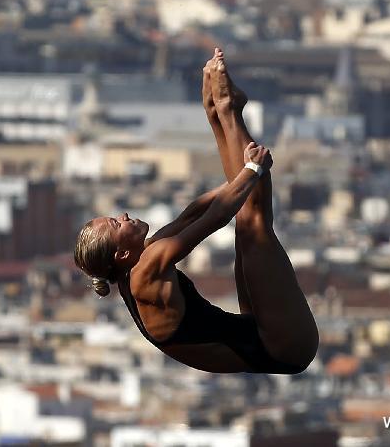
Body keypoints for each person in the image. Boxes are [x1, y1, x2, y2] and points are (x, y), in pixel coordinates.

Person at [73, 49, 319, 374]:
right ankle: (230, 112)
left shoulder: (144, 256)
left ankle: (220, 112)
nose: (123, 216)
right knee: (252, 226)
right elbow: (214, 219)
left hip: (256, 330)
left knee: (246, 208)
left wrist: (240, 173)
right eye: (116, 225)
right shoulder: (147, 270)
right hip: (283, 347)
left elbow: (192, 214)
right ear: (120, 254)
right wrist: (250, 173)